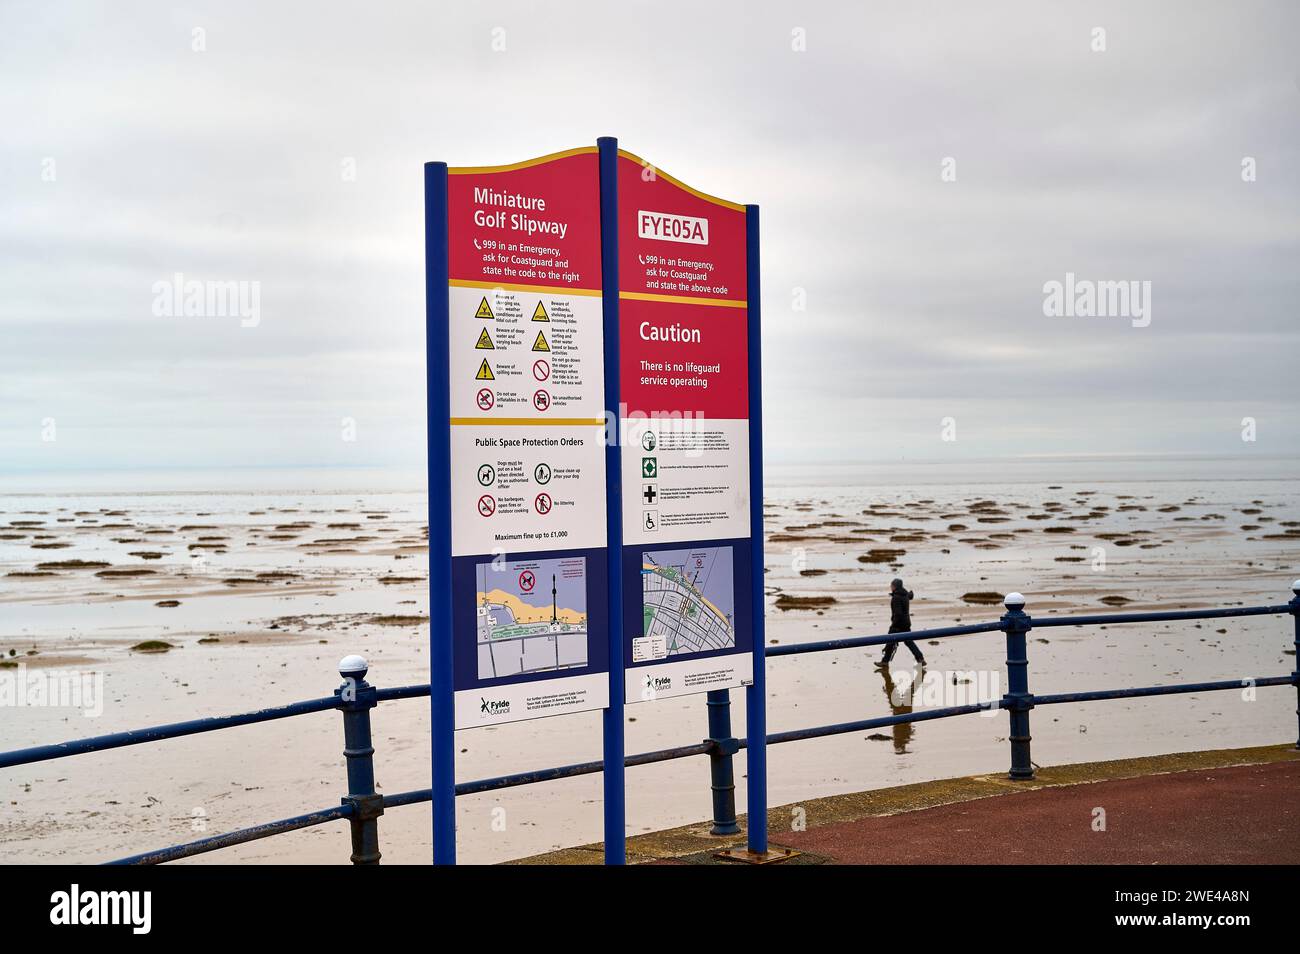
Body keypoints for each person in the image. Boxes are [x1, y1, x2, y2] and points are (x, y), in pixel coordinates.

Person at [875, 577, 925, 667]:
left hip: (898, 624)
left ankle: (885, 661)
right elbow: (909, 596)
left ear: (894, 586)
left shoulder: (896, 597)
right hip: (906, 623)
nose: (890, 587)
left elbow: (898, 613)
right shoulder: (904, 595)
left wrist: (893, 625)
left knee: (890, 641)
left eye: (891, 585)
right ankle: (920, 658)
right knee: (908, 642)